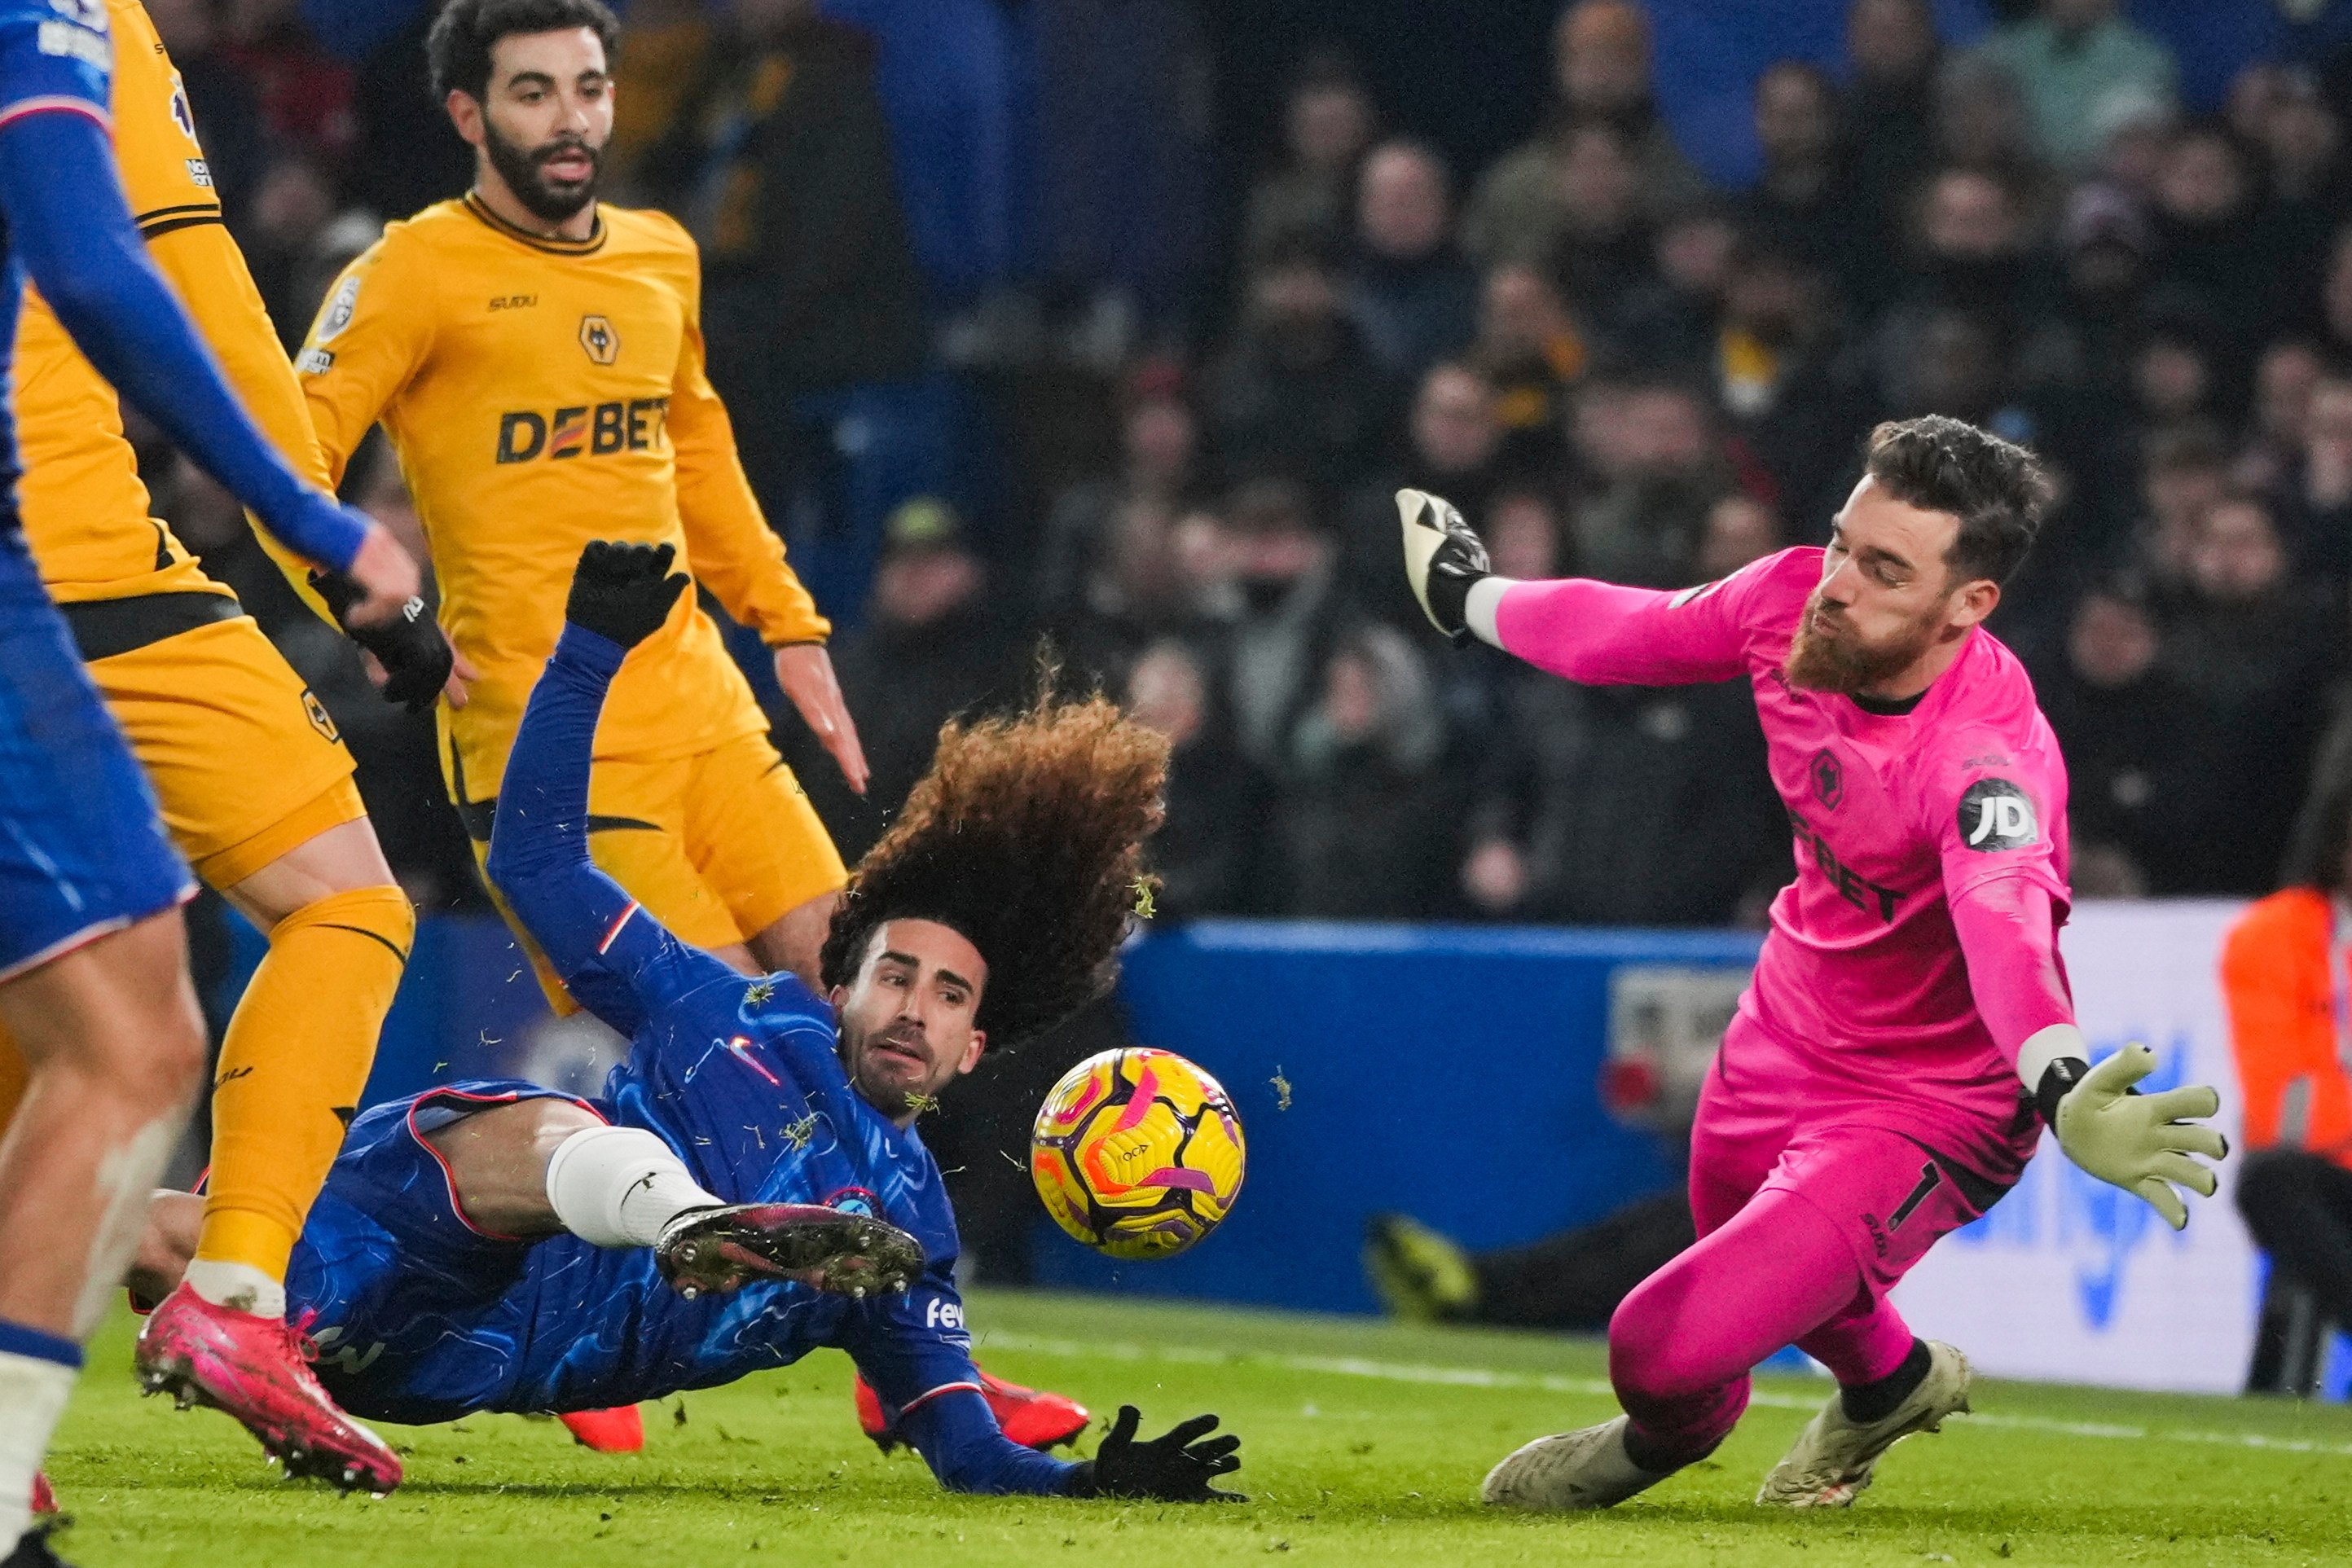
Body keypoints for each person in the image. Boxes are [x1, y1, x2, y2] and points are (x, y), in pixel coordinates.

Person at [125, 542, 1246, 1506]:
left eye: (949, 998)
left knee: (164, 1241)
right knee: (549, 1122)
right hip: (440, 1203)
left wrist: (1089, 1482)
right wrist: (586, 657)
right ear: (840, 981)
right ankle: (682, 1218)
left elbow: (967, 1453)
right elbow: (536, 865)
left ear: (972, 1052)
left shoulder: (902, 1237)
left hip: (447, 1367)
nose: (914, 1007)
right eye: (895, 976)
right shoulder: (727, 1012)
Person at [1398, 414, 2228, 1512]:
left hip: (1931, 1100)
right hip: (1782, 1028)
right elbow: (1630, 629)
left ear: (1964, 605)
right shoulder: (1790, 601)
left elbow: (2005, 931)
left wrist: (2061, 1082)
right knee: (1749, 1284)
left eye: (1882, 569)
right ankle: (1881, 1385)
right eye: (1843, 540)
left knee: (1654, 1344)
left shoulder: (1984, 765)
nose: (1837, 581)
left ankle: (1657, 1440)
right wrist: (1470, 600)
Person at [1, 0, 466, 1498]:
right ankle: (234, 1294)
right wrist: (334, 545)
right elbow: (160, 289)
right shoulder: (76, 23)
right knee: (334, 904)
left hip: (59, 575)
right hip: (77, 579)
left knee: (71, 1013)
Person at [297, 0, 864, 1004]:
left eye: (589, 89)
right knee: (731, 1061)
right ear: (469, 116)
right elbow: (283, 459)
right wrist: (375, 610)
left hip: (708, 720)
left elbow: (696, 451)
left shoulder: (659, 256)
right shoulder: (414, 272)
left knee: (857, 1016)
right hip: (546, 753)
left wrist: (787, 621)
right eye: (533, 92)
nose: (570, 119)